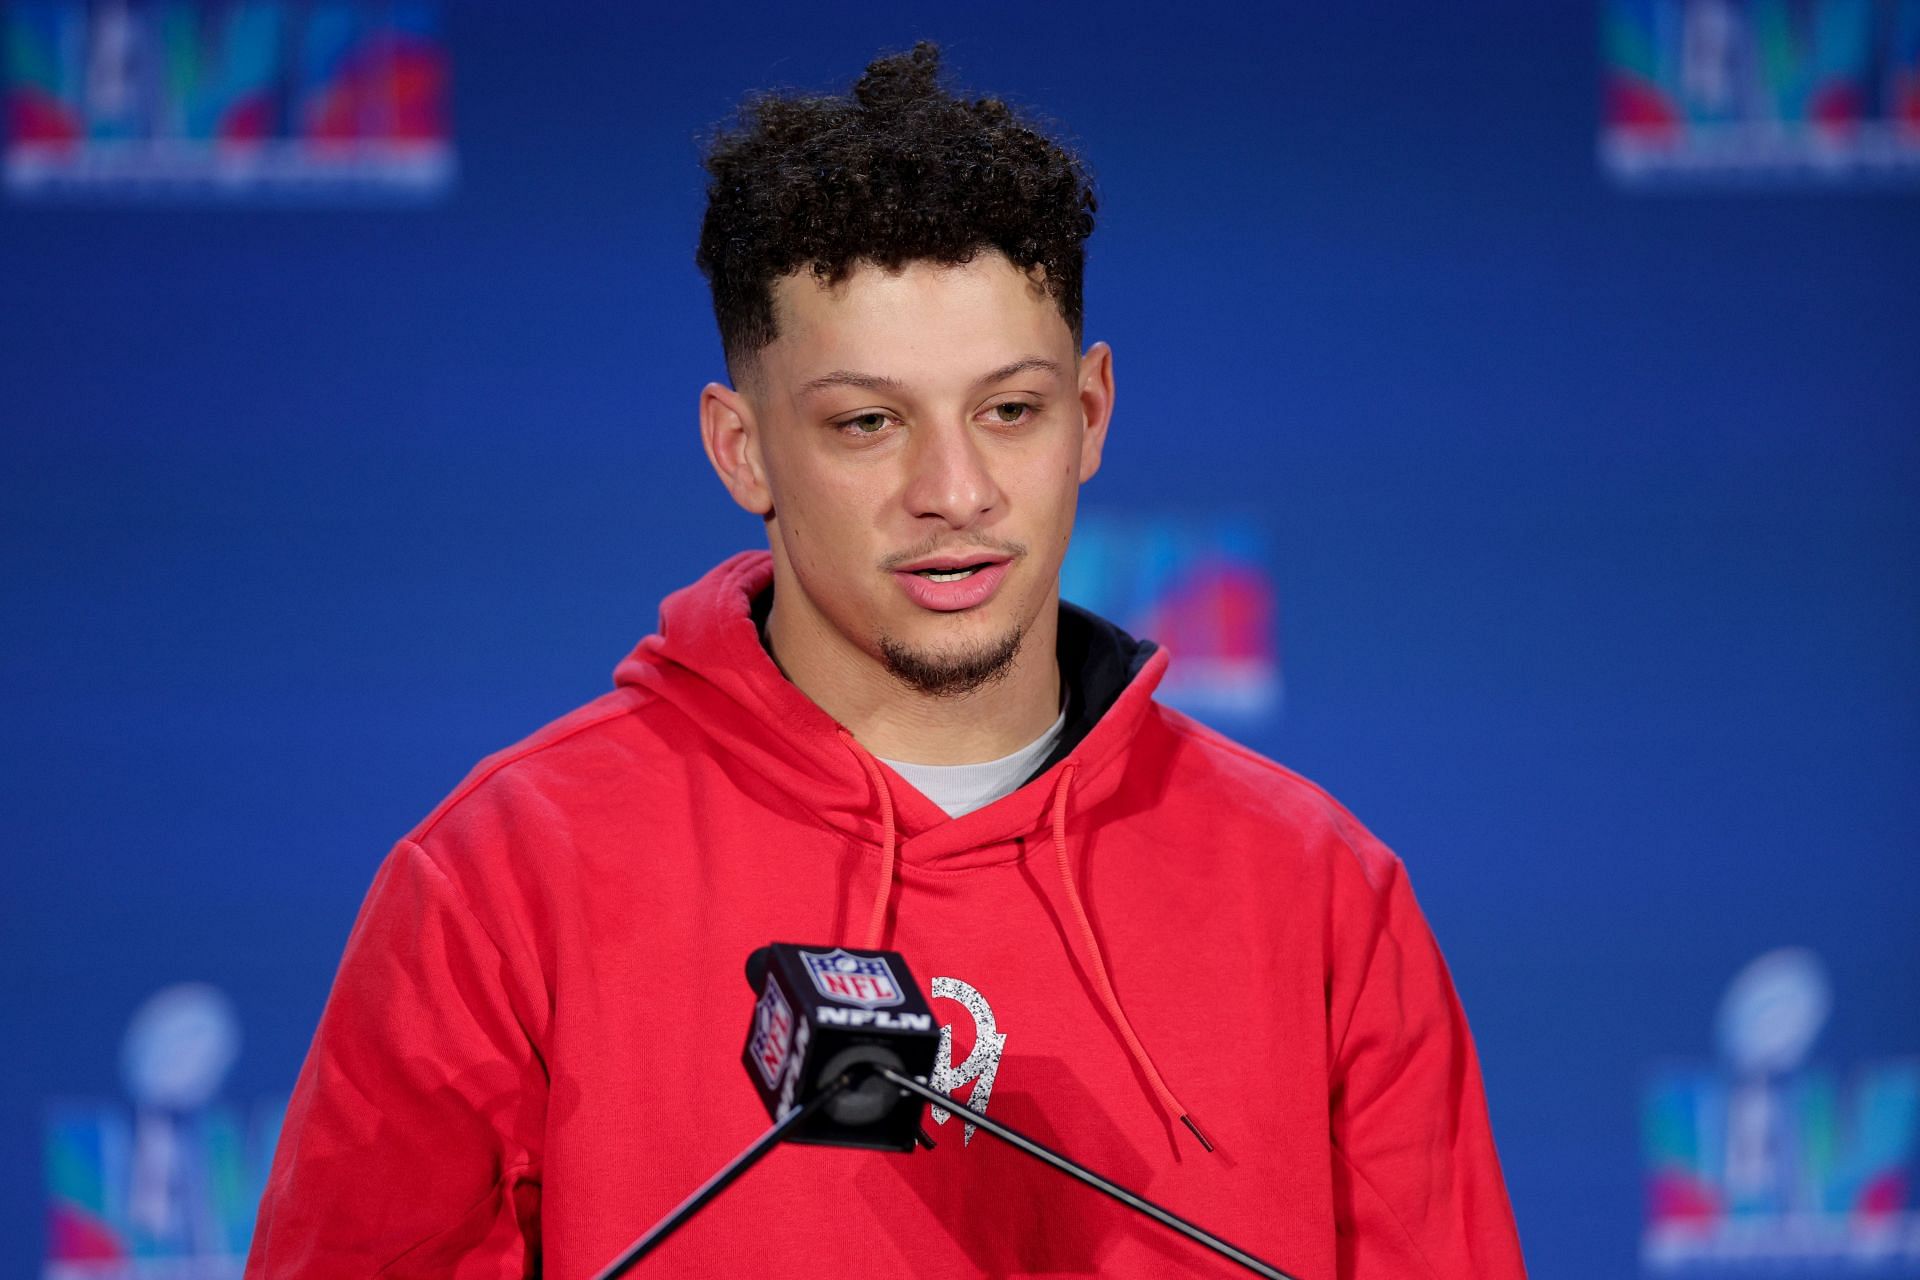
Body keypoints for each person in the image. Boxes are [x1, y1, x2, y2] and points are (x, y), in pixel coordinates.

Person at [247, 43, 1527, 1279]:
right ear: (740, 448)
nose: (955, 490)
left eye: (1009, 411)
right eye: (868, 423)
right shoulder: (503, 881)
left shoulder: (1320, 895)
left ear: (1089, 415)